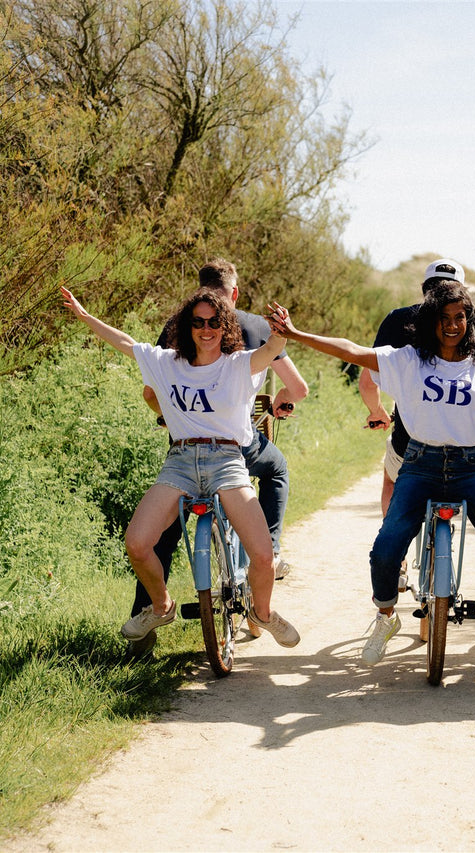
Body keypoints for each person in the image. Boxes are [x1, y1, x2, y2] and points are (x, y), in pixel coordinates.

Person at [267, 279, 475, 667]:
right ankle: (385, 618)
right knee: (385, 550)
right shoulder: (408, 360)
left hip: (469, 467)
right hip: (419, 465)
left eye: (461, 317)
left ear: (470, 321)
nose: (453, 324)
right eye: (444, 317)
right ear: (431, 321)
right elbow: (352, 350)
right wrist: (294, 334)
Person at [61, 286, 300, 649]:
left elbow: (271, 350)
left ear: (226, 325)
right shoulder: (169, 363)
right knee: (137, 544)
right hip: (180, 462)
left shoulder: (237, 364)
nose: (207, 329)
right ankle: (161, 607)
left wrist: (283, 330)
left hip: (227, 462)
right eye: (198, 322)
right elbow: (125, 343)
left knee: (264, 556)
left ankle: (262, 614)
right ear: (188, 326)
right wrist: (84, 316)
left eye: (215, 321)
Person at [130, 258, 308, 657]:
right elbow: (297, 387)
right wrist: (280, 403)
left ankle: (146, 621)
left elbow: (149, 390)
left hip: (186, 441)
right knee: (275, 468)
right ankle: (271, 553)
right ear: (235, 293)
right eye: (202, 322)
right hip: (238, 444)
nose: (207, 327)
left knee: (162, 535)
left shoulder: (180, 326)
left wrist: (169, 415)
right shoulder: (257, 325)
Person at [359, 259, 475, 516]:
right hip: (472, 450)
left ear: (424, 289)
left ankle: (396, 555)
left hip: (411, 445)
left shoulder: (398, 320)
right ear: (461, 292)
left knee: (392, 480)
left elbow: (368, 381)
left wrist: (377, 412)